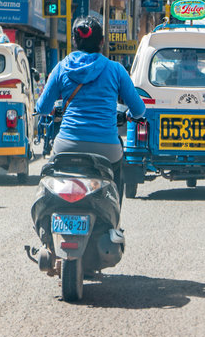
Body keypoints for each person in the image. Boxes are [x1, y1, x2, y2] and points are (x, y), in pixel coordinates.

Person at [36, 17, 146, 200]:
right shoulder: (116, 70)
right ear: (102, 41)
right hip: (107, 148)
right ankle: (114, 218)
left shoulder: (61, 68)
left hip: (66, 145)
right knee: (117, 178)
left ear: (74, 41)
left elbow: (43, 107)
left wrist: (49, 109)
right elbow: (139, 109)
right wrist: (131, 114)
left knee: (50, 177)